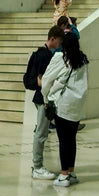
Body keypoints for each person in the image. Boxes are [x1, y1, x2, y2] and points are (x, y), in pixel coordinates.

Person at [42, 32, 89, 187]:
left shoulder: (61, 59)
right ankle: (71, 172)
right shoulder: (83, 60)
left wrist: (46, 96)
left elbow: (47, 79)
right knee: (72, 140)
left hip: (63, 104)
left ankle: (63, 176)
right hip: (77, 105)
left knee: (63, 141)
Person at [26, 25, 64, 180]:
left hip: (41, 98)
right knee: (41, 133)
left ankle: (38, 165)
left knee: (41, 132)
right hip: (44, 98)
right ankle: (37, 166)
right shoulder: (45, 56)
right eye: (59, 41)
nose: (60, 45)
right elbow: (41, 79)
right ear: (53, 38)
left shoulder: (40, 54)